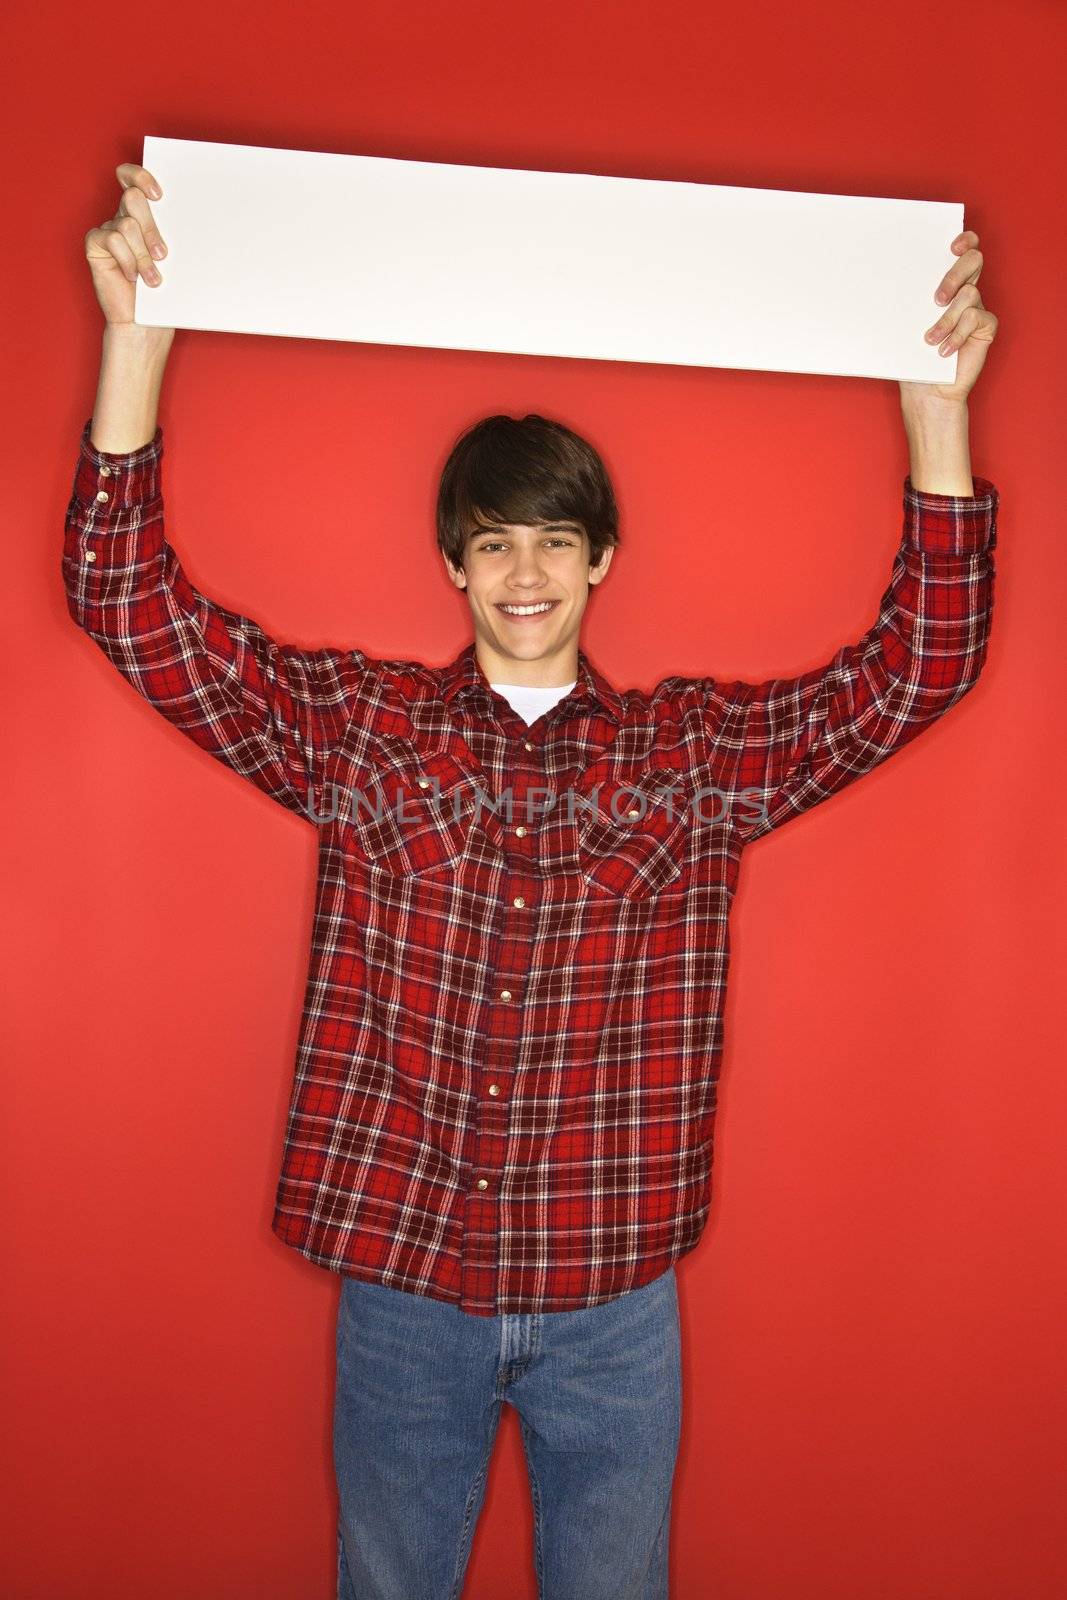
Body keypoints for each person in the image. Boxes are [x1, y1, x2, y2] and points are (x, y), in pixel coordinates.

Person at [65, 161, 1000, 1600]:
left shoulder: (691, 762)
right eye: (494, 541)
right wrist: (141, 329)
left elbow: (919, 669)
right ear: (454, 564)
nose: (524, 572)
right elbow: (123, 598)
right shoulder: (364, 731)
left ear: (601, 558)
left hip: (615, 1293)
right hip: (405, 1290)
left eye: (555, 539)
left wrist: (933, 401)